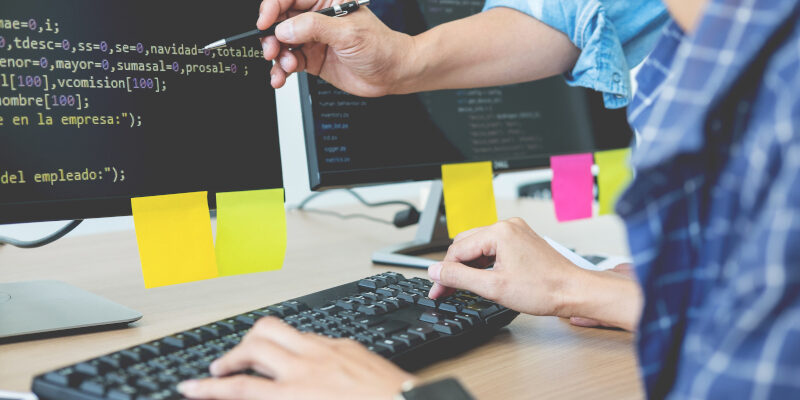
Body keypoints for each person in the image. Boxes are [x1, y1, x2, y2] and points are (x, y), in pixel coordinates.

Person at [177, 0, 800, 398]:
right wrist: (598, 290)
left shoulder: (776, 102)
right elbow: (584, 15)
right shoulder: (716, 37)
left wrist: (393, 396)